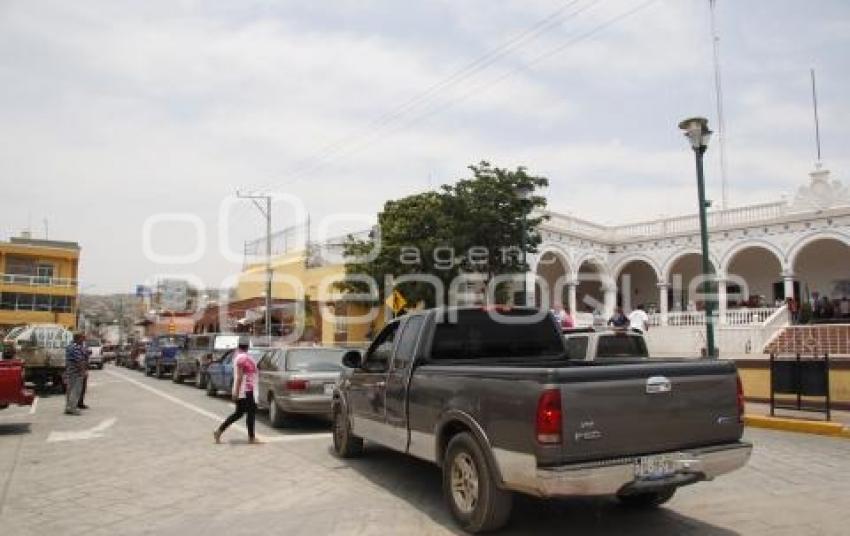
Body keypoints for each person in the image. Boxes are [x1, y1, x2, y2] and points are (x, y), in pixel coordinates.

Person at [214, 338, 260, 444]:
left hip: (245, 390)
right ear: (248, 347)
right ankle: (251, 438)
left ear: (239, 347)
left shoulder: (239, 357)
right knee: (250, 413)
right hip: (247, 390)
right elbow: (239, 377)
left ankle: (219, 431)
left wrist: (236, 391)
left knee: (239, 413)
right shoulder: (244, 358)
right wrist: (236, 392)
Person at [64, 333, 87, 416]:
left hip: (70, 371)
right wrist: (82, 371)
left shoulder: (69, 346)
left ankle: (68, 407)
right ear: (78, 338)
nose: (83, 340)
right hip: (76, 372)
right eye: (82, 338)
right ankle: (73, 408)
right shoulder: (76, 347)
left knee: (69, 390)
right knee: (76, 390)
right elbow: (79, 361)